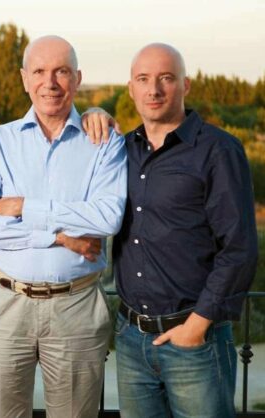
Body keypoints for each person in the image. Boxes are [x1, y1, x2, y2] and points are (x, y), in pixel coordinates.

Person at [0, 35, 127, 418]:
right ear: (24, 79)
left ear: (77, 78)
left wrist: (23, 207)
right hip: (4, 305)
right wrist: (60, 236)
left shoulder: (103, 142)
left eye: (61, 71)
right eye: (39, 71)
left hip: (77, 306)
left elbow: (107, 217)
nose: (49, 82)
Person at [110, 43, 258, 417]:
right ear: (131, 88)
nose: (154, 89)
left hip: (195, 341)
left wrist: (197, 326)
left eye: (166, 78)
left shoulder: (219, 150)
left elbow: (238, 248)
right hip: (131, 339)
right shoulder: (121, 150)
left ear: (185, 85)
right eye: (143, 79)